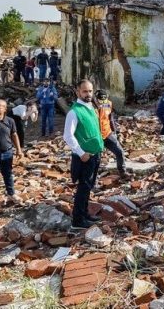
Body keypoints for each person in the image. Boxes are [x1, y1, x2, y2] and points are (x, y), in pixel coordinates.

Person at [63, 79, 104, 229]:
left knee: (88, 187)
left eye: (90, 91)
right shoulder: (74, 112)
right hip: (84, 157)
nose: (88, 94)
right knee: (83, 188)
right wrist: (80, 152)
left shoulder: (91, 107)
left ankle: (85, 213)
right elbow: (68, 135)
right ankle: (78, 221)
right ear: (78, 92)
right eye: (85, 91)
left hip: (95, 155)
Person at [94, 89, 127, 178]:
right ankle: (94, 179)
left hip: (107, 133)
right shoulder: (90, 107)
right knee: (96, 159)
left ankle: (122, 172)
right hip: (95, 136)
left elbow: (110, 118)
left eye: (103, 101)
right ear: (96, 99)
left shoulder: (108, 103)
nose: (102, 103)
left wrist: (114, 131)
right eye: (100, 101)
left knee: (119, 151)